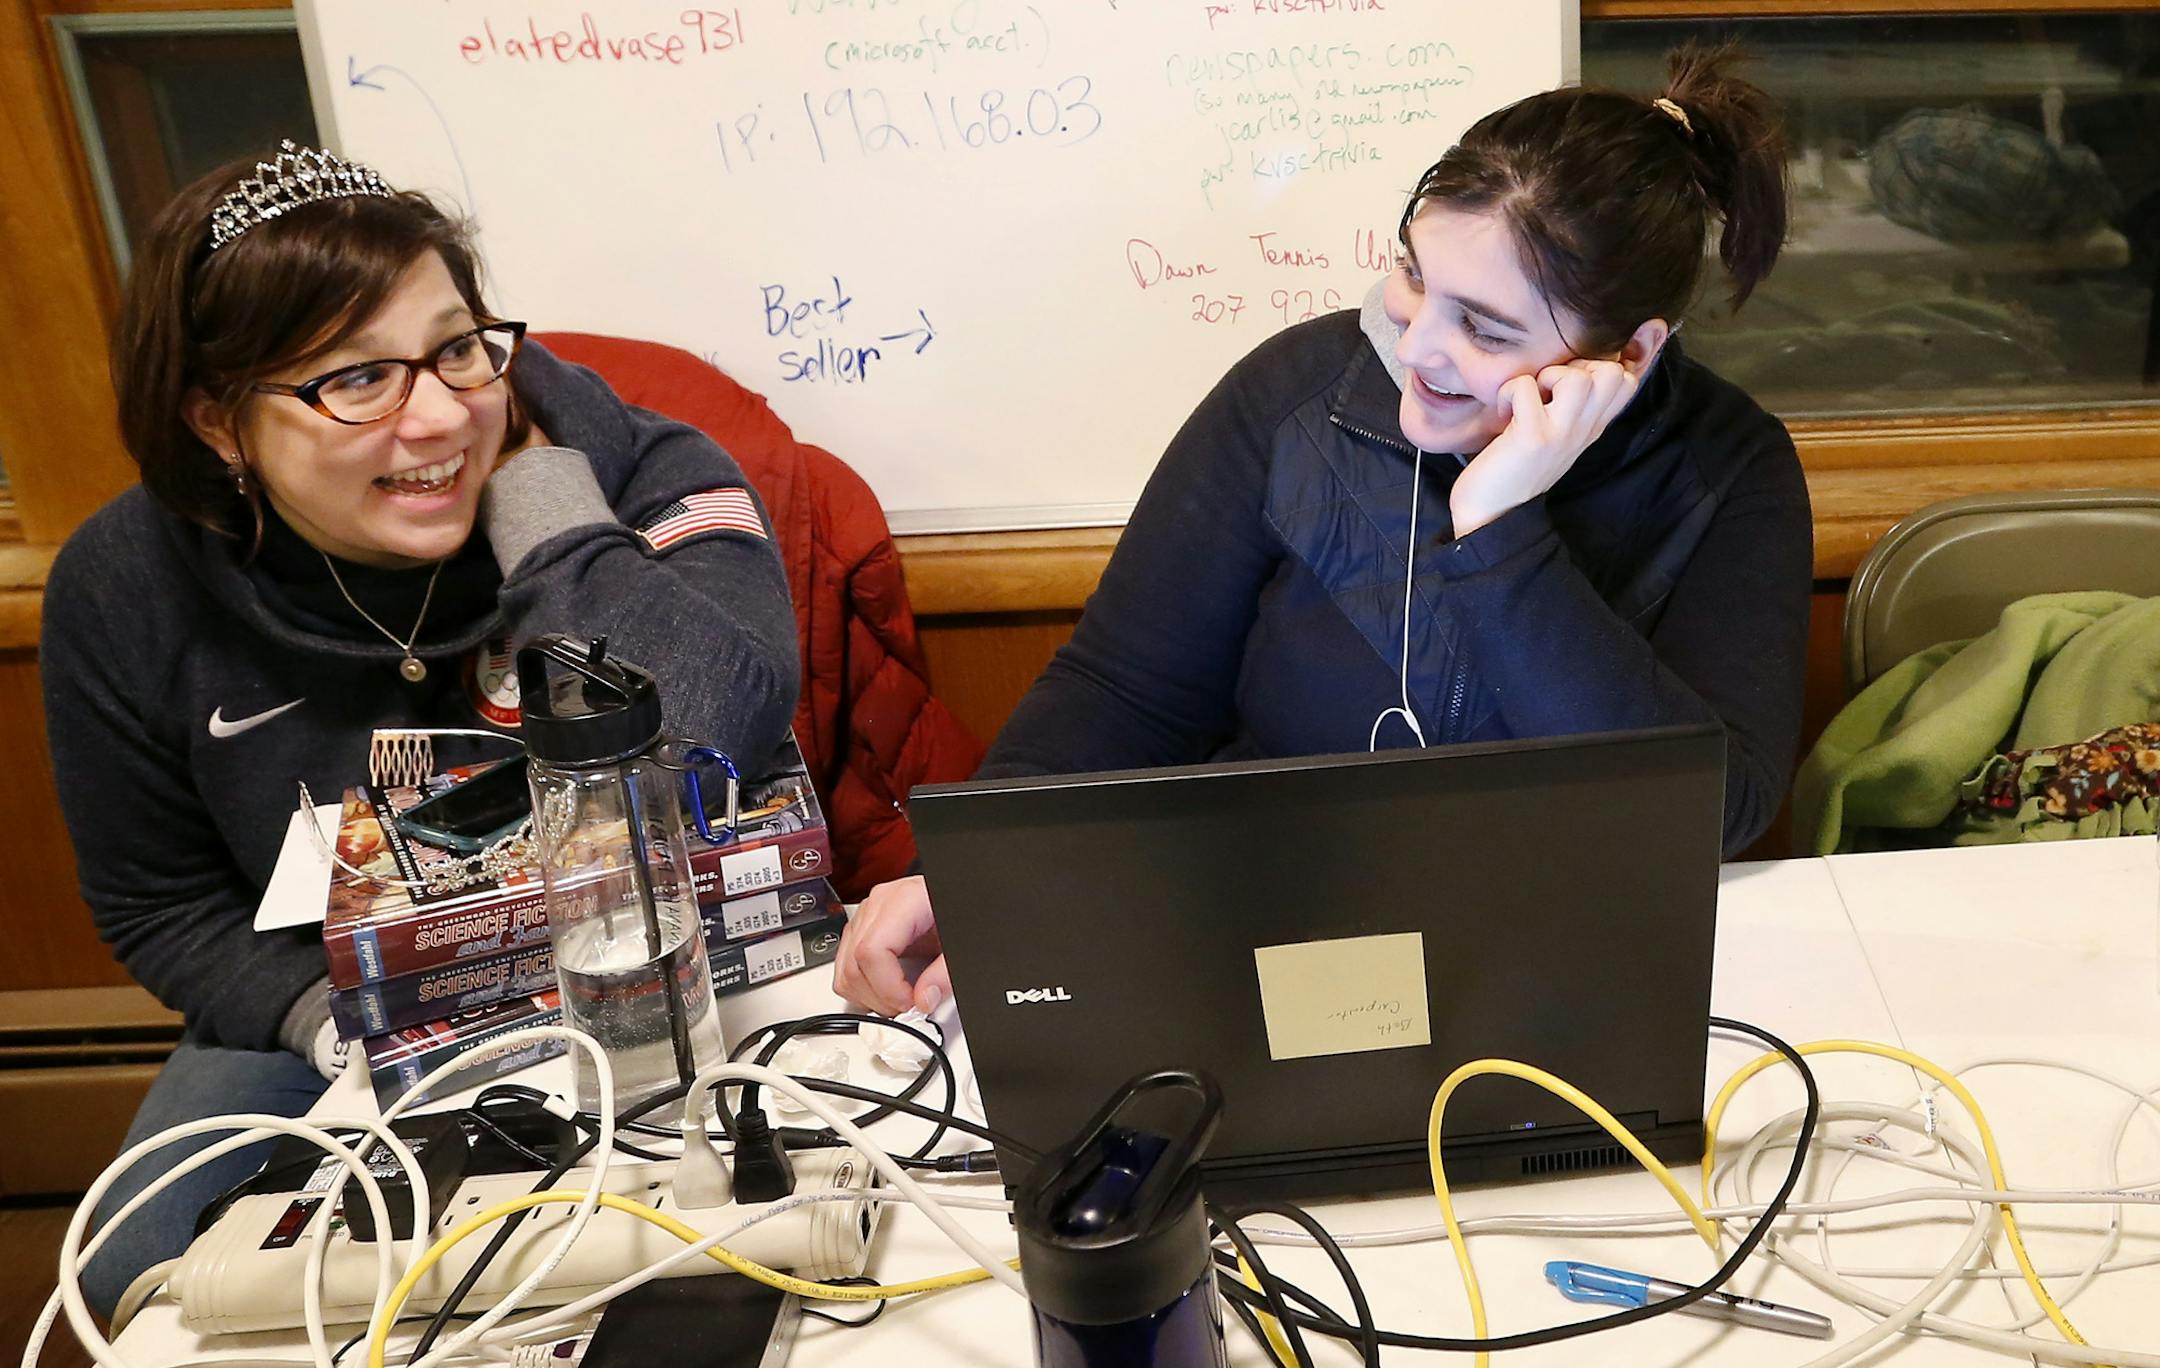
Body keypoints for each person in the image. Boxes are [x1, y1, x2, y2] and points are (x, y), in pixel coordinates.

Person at [835, 43, 1814, 1018]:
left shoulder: (1730, 471)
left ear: (1630, 353)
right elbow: (1126, 692)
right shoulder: (1294, 398)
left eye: (1485, 328)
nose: (1416, 344)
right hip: (1263, 941)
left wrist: (1501, 528)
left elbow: (1711, 814)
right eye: (1414, 275)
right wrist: (973, 873)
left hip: (1552, 970)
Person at [40, 142, 800, 1317]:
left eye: (456, 349)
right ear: (219, 422)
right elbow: (162, 906)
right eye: (357, 379)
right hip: (336, 1001)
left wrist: (540, 502)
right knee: (142, 1272)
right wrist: (343, 1028)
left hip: (668, 957)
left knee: (713, 1261)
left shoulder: (646, 469)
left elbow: (709, 728)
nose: (441, 415)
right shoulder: (124, 584)